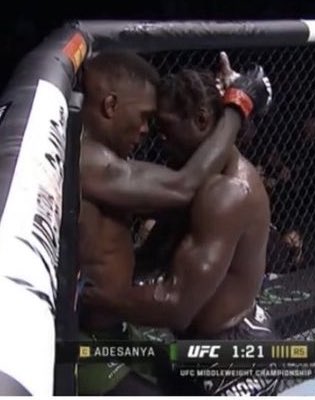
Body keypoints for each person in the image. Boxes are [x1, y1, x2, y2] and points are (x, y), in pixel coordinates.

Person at [77, 50, 272, 395]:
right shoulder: (191, 177)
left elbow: (177, 305)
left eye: (165, 125)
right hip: (195, 345)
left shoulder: (226, 193)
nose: (156, 136)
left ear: (201, 120)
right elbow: (152, 254)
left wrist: (94, 299)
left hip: (231, 356)